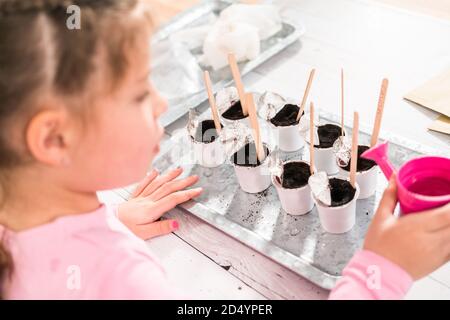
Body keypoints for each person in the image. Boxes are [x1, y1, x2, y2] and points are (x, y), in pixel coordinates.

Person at [0, 0, 449, 300]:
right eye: (139, 94)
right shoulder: (122, 280)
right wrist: (381, 272)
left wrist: (107, 225)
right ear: (54, 140)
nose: (161, 103)